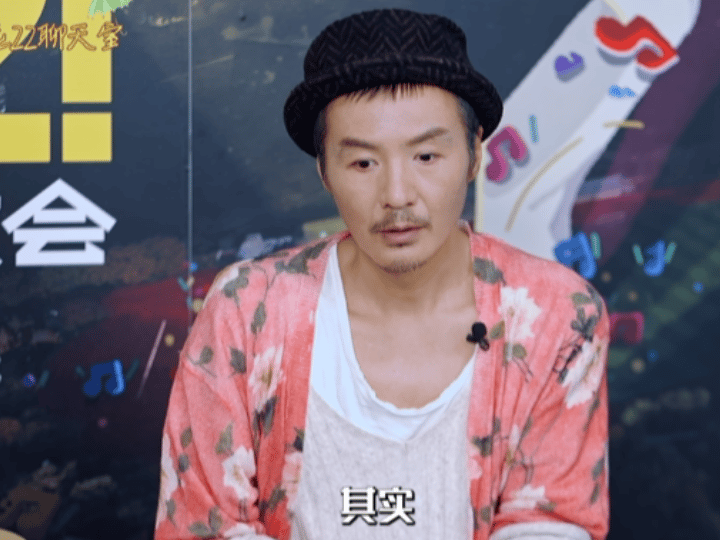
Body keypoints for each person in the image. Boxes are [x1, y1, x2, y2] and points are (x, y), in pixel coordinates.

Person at [154, 8, 610, 540]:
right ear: (323, 171)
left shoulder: (558, 316)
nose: (397, 195)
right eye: (363, 163)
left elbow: (549, 523)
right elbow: (203, 525)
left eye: (426, 156)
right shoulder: (247, 311)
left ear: (473, 154)